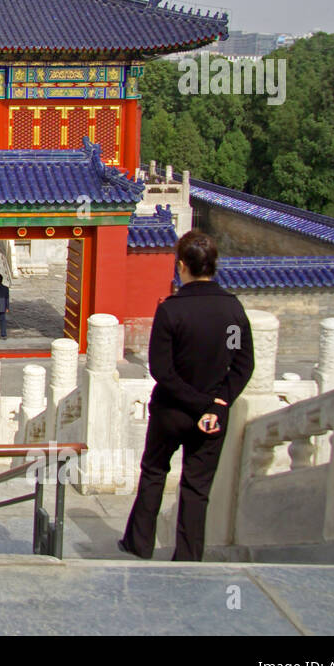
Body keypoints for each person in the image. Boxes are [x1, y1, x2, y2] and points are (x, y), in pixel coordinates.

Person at [119, 230, 254, 562]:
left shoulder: (172, 311)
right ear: (213, 266)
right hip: (212, 416)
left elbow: (162, 370)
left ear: (181, 266)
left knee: (154, 472)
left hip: (171, 411)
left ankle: (139, 544)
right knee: (196, 488)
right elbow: (242, 363)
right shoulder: (232, 312)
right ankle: (188, 557)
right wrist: (217, 403)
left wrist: (195, 402)